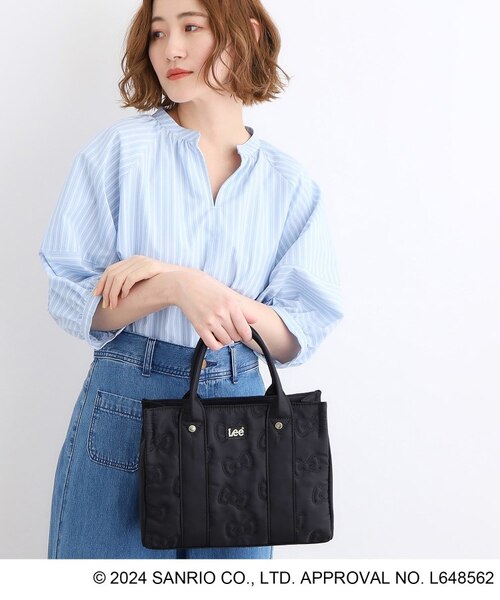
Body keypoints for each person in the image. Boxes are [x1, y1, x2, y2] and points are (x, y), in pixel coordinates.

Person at [38, 0, 343, 559]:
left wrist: (192, 281)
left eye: (191, 27)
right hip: (127, 399)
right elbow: (69, 295)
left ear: (247, 34)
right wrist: (174, 288)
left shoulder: (289, 184)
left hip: (241, 406)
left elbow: (296, 333)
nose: (170, 49)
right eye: (157, 33)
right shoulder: (120, 152)